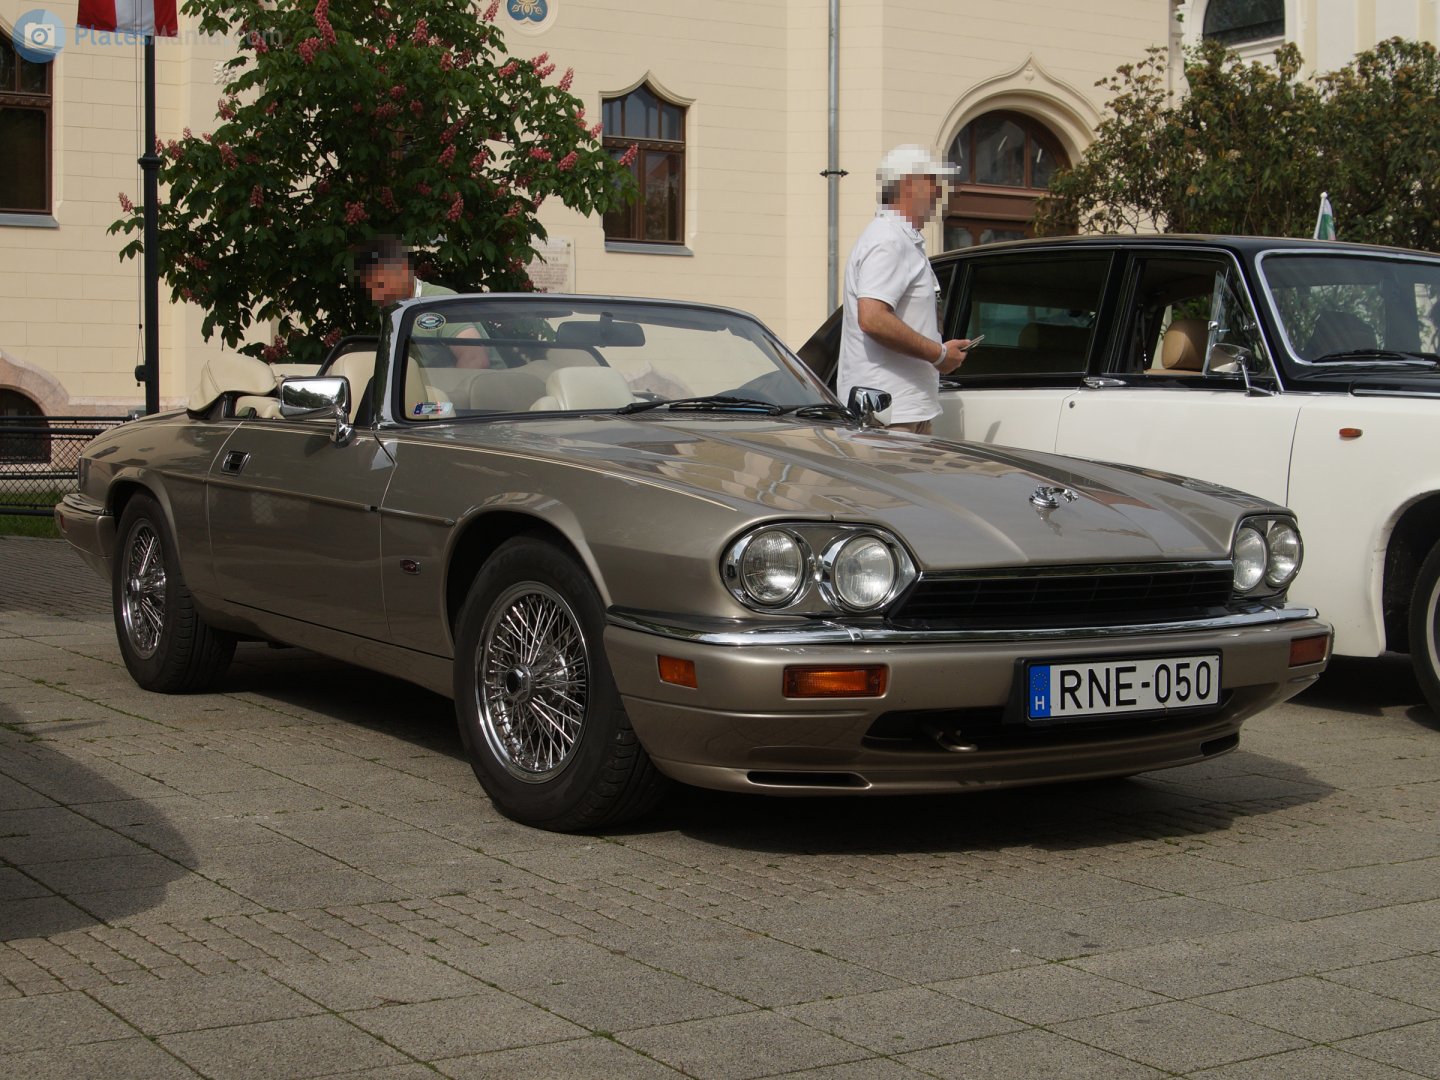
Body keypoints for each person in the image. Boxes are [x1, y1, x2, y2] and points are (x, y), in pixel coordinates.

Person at [838, 144, 974, 434]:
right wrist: (938, 354)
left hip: (902, 410)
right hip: (888, 414)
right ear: (909, 185)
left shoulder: (899, 239)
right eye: (933, 183)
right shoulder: (888, 239)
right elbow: (872, 318)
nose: (939, 192)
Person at [354, 235, 489, 368]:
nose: (376, 296)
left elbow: (476, 359)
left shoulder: (438, 303)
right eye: (370, 289)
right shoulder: (392, 307)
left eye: (380, 285)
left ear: (404, 271)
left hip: (485, 386)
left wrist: (447, 391)